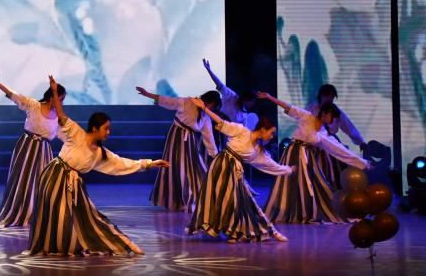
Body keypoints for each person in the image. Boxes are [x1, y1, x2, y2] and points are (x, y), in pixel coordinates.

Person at [28, 75, 169, 256]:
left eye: (109, 129)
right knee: (57, 213)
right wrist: (55, 92)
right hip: (55, 176)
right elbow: (61, 114)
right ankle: (53, 245)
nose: (108, 132)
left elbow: (123, 164)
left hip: (74, 184)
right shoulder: (76, 133)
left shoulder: (100, 153)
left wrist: (150, 163)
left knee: (89, 216)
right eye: (105, 129)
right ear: (95, 128)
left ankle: (122, 243)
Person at [186, 98, 292, 243]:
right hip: (221, 165)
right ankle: (230, 230)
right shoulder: (242, 131)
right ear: (263, 129)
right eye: (271, 133)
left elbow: (271, 165)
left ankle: (266, 231)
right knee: (221, 199)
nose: (272, 136)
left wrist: (288, 170)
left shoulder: (257, 150)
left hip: (234, 170)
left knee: (242, 201)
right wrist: (204, 108)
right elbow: (222, 123)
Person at [259, 91, 370, 224]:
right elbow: (288, 107)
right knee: (292, 183)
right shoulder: (307, 116)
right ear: (325, 114)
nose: (334, 121)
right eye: (333, 117)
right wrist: (269, 97)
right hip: (294, 153)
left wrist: (363, 163)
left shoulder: (323, 132)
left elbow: (340, 150)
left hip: (307, 156)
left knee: (311, 184)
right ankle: (294, 212)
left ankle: (305, 212)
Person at [0, 68, 63, 227]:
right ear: (51, 97)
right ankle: (18, 212)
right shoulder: (34, 105)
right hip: (27, 147)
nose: (61, 102)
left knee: (41, 182)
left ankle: (37, 213)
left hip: (44, 151)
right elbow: (12, 94)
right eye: (60, 98)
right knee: (22, 180)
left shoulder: (58, 117)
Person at [136, 86, 220, 211]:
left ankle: (191, 199)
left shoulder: (206, 116)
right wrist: (148, 94)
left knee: (194, 168)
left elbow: (209, 137)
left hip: (190, 140)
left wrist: (215, 155)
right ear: (208, 101)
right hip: (176, 136)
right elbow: (168, 101)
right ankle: (176, 201)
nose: (212, 108)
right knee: (177, 167)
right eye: (212, 105)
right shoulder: (188, 102)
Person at [306, 84, 368, 188]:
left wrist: (361, 142)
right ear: (321, 96)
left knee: (336, 170)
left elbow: (349, 127)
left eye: (332, 97)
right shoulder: (311, 109)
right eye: (327, 96)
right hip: (315, 145)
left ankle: (335, 191)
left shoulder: (336, 112)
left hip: (331, 142)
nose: (329, 99)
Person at [203, 59, 257, 129]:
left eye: (252, 103)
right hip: (210, 120)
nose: (251, 104)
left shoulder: (243, 116)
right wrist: (209, 69)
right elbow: (219, 83)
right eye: (251, 101)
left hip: (222, 131)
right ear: (245, 98)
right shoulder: (231, 95)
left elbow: (240, 131)